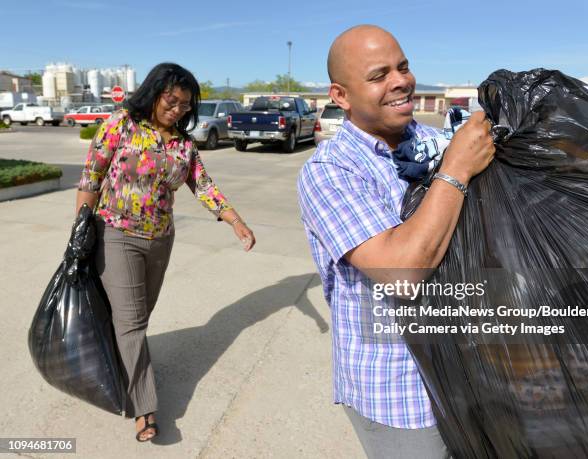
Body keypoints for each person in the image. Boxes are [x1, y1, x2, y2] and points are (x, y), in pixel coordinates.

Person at [297, 25, 494, 458]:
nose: (401, 80)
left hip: (468, 369)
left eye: (403, 67)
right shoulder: (331, 171)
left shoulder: (432, 142)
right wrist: (456, 169)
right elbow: (402, 271)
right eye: (379, 74)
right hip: (399, 390)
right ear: (341, 95)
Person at [76, 63, 256, 442]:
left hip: (160, 239)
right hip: (116, 232)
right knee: (132, 323)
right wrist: (78, 229)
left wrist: (235, 220)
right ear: (154, 93)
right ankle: (145, 408)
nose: (177, 110)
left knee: (138, 315)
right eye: (171, 101)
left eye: (185, 106)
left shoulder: (183, 144)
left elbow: (203, 185)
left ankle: (116, 363)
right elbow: (91, 176)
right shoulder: (121, 124)